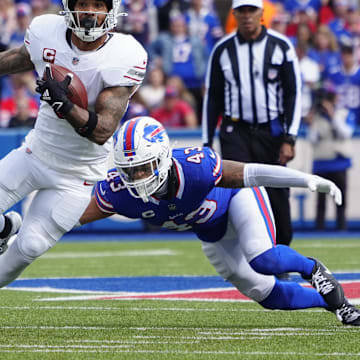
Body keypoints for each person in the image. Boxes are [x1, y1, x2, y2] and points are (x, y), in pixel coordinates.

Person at [79, 116, 359, 326]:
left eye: (144, 167)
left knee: (264, 259)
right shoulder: (120, 194)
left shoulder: (195, 168)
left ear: (163, 157)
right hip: (212, 232)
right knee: (267, 294)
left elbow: (251, 174)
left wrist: (306, 180)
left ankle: (313, 269)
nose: (139, 177)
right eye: (130, 171)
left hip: (237, 200)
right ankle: (335, 303)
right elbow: (69, 218)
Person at [0, 0, 147, 287]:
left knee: (30, 246)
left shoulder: (125, 53)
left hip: (77, 176)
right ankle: (5, 227)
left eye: (97, 5)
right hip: (34, 153)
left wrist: (64, 104)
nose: (90, 11)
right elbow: (19, 57)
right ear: (69, 7)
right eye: (83, 3)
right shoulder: (46, 30)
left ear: (111, 11)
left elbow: (102, 130)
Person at [202, 0, 302, 253]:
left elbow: (293, 93)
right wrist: (206, 141)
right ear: (234, 14)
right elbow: (212, 97)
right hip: (235, 131)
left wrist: (290, 137)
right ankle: (243, 254)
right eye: (242, 11)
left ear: (261, 14)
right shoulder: (223, 49)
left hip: (271, 132)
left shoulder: (281, 47)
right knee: (238, 194)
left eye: (252, 10)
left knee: (276, 192)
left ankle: (282, 253)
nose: (247, 16)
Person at [308, 87, 355, 230]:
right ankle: (319, 228)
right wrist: (311, 121)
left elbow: (346, 133)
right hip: (322, 163)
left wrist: (333, 115)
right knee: (320, 201)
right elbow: (312, 139)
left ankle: (342, 227)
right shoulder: (317, 117)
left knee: (340, 199)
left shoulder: (344, 113)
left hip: (339, 163)